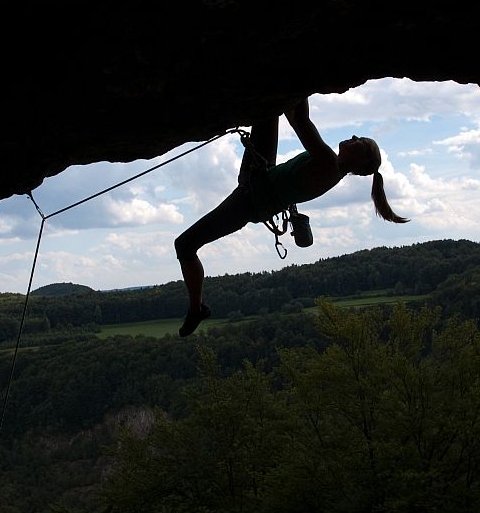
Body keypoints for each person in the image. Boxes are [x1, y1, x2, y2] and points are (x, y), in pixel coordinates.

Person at [174, 97, 408, 336]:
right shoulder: (332, 167)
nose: (355, 136)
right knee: (269, 107)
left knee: (184, 244)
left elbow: (301, 121)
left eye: (360, 143)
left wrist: (299, 88)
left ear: (359, 161)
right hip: (259, 178)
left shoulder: (328, 163)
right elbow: (295, 117)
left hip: (249, 201)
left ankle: (196, 308)